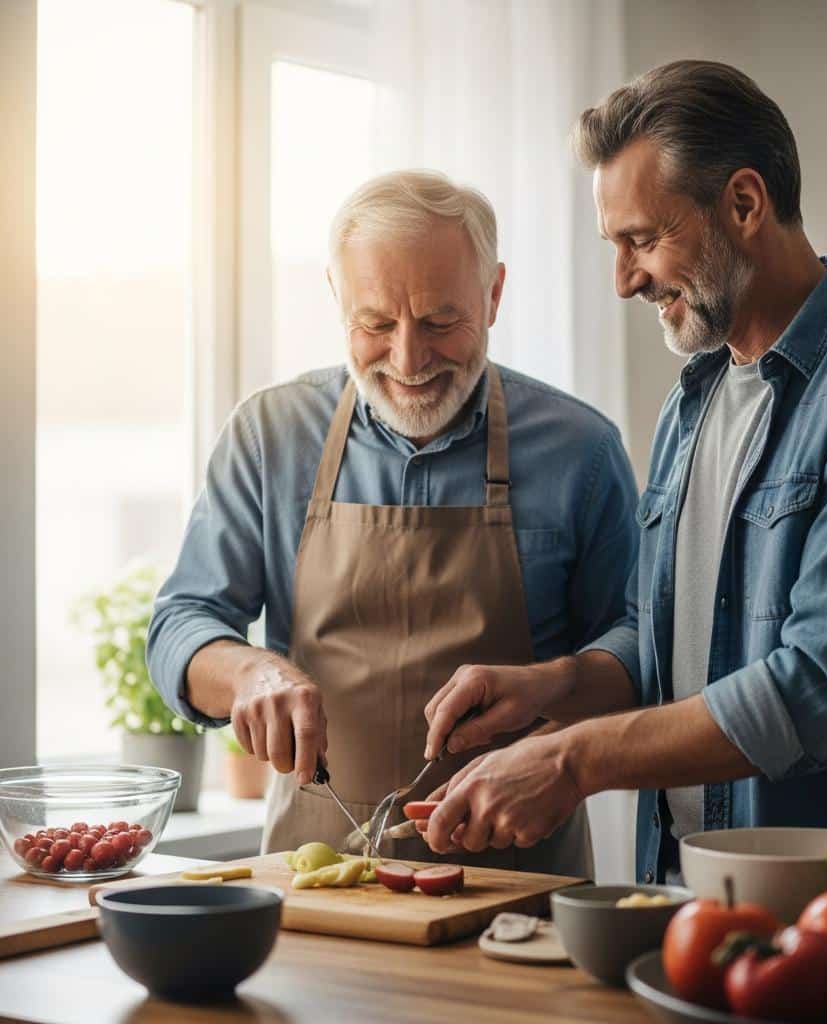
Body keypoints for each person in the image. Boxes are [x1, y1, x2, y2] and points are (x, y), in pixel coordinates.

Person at [420, 60, 827, 884]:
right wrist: (555, 686)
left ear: (744, 204)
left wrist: (575, 761)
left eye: (644, 240)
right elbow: (676, 651)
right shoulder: (694, 399)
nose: (624, 280)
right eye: (614, 245)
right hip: (686, 893)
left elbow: (818, 691)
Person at [147, 170, 640, 876]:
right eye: (375, 322)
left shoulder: (581, 450)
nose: (408, 360)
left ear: (494, 294)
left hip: (522, 883)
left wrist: (555, 682)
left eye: (441, 321)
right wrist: (249, 674)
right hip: (312, 877)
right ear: (336, 296)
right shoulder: (270, 434)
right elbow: (181, 625)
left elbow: (639, 649)